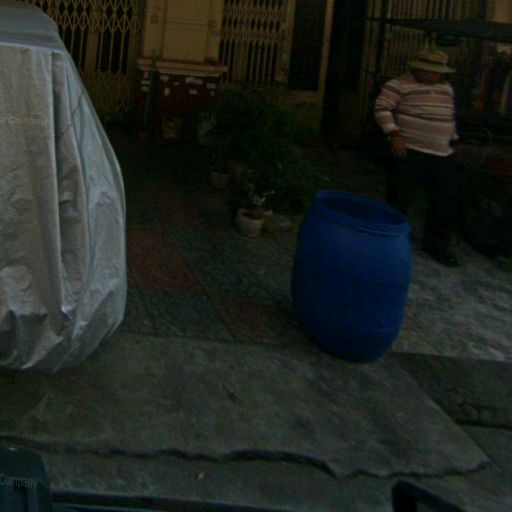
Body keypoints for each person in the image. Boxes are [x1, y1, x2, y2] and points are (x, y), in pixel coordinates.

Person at [375, 48, 461, 267]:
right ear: (418, 69)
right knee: (400, 198)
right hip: (409, 151)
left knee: (444, 202)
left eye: (438, 72)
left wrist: (454, 140)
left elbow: (449, 116)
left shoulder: (446, 88)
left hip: (442, 154)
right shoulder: (398, 85)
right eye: (430, 71)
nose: (435, 75)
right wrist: (394, 135)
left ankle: (437, 245)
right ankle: (391, 242)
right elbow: (382, 108)